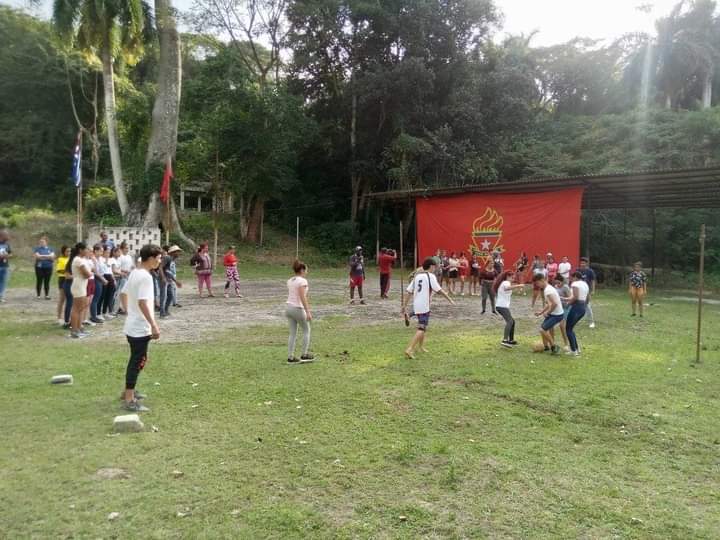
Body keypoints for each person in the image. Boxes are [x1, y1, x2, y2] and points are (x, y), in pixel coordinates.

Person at [120, 244, 162, 412]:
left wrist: (127, 311)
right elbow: (142, 302)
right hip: (139, 328)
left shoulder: (135, 273)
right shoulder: (145, 277)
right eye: (158, 258)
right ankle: (129, 399)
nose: (159, 261)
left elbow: (123, 293)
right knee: (137, 361)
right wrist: (154, 325)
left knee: (138, 360)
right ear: (151, 258)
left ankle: (127, 392)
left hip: (133, 325)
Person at [401, 257, 454, 359]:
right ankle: (409, 349)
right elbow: (439, 290)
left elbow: (409, 292)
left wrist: (404, 306)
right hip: (424, 306)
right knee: (422, 328)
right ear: (431, 266)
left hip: (417, 304)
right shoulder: (431, 276)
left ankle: (421, 347)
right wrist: (449, 299)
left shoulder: (417, 277)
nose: (435, 268)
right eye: (434, 266)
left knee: (423, 327)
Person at [285, 259, 315, 364]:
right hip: (297, 308)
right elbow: (302, 297)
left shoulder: (290, 280)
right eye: (306, 270)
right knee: (307, 330)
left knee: (292, 333)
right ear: (302, 270)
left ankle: (290, 357)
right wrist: (308, 311)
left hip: (288, 308)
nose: (307, 272)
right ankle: (304, 354)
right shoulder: (302, 281)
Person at [533, 273, 564, 355]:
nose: (538, 286)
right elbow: (549, 304)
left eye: (537, 283)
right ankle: (546, 347)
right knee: (543, 329)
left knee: (542, 330)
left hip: (557, 315)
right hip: (553, 313)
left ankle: (554, 347)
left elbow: (554, 304)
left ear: (542, 280)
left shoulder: (548, 290)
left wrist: (547, 313)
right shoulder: (548, 288)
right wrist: (541, 312)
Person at [494, 270, 525, 348]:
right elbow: (507, 288)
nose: (513, 278)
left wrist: (517, 288)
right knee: (510, 321)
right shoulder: (505, 282)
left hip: (502, 306)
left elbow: (508, 290)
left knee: (512, 321)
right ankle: (504, 340)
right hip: (502, 306)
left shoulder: (504, 282)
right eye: (512, 277)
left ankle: (511, 340)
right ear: (508, 276)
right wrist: (518, 286)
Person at [68, 243, 92, 339]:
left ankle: (78, 329)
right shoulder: (78, 260)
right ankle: (74, 331)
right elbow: (87, 274)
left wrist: (89, 273)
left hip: (82, 285)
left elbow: (89, 272)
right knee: (76, 309)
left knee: (80, 309)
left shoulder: (82, 260)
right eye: (86, 249)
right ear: (80, 250)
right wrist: (89, 273)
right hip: (78, 285)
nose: (87, 251)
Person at [565, 271, 590, 356]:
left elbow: (575, 297)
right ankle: (576, 348)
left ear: (575, 276)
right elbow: (588, 297)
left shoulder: (575, 284)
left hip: (576, 307)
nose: (571, 279)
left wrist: (568, 304)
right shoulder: (585, 284)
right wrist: (584, 306)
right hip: (582, 307)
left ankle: (573, 351)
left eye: (572, 277)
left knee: (568, 329)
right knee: (571, 329)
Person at [159, 245, 182, 318]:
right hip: (164, 279)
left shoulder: (171, 259)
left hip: (168, 279)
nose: (179, 253)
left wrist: (175, 281)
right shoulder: (167, 257)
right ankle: (162, 313)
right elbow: (160, 267)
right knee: (163, 296)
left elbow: (168, 271)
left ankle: (166, 310)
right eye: (178, 252)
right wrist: (163, 278)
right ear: (173, 252)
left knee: (170, 296)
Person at [89, 244, 107, 324]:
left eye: (102, 251)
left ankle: (95, 315)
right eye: (100, 251)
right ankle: (93, 316)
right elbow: (95, 271)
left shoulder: (100, 259)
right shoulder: (93, 259)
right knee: (95, 299)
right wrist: (102, 279)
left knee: (98, 298)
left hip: (101, 278)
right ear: (95, 251)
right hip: (97, 279)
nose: (102, 253)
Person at [114, 242, 134, 315]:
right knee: (122, 292)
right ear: (122, 249)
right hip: (122, 277)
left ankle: (123, 307)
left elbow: (131, 266)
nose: (127, 249)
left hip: (129, 276)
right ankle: (120, 308)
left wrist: (132, 269)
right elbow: (117, 267)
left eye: (128, 248)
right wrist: (124, 271)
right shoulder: (120, 257)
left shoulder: (129, 257)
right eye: (126, 248)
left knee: (127, 293)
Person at [552, 275, 571, 351]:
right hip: (557, 307)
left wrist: (562, 298)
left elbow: (570, 298)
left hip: (565, 308)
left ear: (562, 281)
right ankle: (552, 343)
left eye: (558, 282)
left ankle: (566, 344)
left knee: (562, 325)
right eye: (556, 282)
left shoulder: (566, 287)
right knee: (551, 325)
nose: (557, 283)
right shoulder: (555, 286)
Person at [577, 257, 597, 328]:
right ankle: (576, 320)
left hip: (587, 291)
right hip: (579, 290)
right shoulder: (578, 270)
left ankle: (591, 322)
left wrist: (593, 290)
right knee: (577, 306)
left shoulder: (590, 271)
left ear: (586, 263)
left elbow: (593, 281)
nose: (582, 264)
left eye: (584, 263)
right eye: (581, 263)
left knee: (587, 306)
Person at [56, 245, 70, 325]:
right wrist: (67, 271)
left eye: (70, 251)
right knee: (62, 299)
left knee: (69, 299)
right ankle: (59, 317)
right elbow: (59, 270)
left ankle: (67, 316)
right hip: (63, 279)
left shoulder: (71, 259)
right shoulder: (60, 259)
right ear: (63, 252)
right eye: (67, 251)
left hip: (70, 279)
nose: (69, 253)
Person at [0, 229, 13, 303]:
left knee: (3, 282)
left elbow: (11, 253)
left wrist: (7, 255)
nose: (8, 236)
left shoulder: (7, 244)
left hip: (5, 266)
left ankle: (1, 297)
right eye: (6, 235)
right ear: (2, 235)